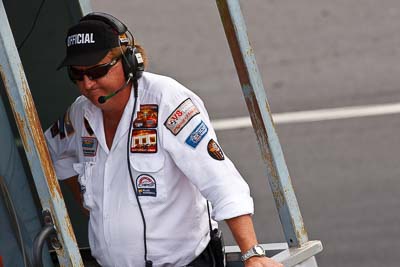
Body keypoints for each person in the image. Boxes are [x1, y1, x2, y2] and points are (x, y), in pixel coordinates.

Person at [45, 12, 283, 267]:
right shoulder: (80, 113)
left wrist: (252, 254)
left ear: (128, 62)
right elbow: (54, 150)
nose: (87, 84)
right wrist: (92, 206)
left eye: (96, 71)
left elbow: (221, 180)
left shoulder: (168, 101)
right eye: (77, 75)